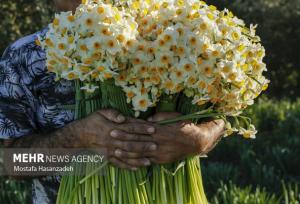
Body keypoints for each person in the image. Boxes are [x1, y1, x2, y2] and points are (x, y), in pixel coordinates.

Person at [0, 0, 225, 203]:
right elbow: (15, 165)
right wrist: (77, 140)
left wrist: (202, 138)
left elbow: (218, 116)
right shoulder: (23, 58)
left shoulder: (164, 36)